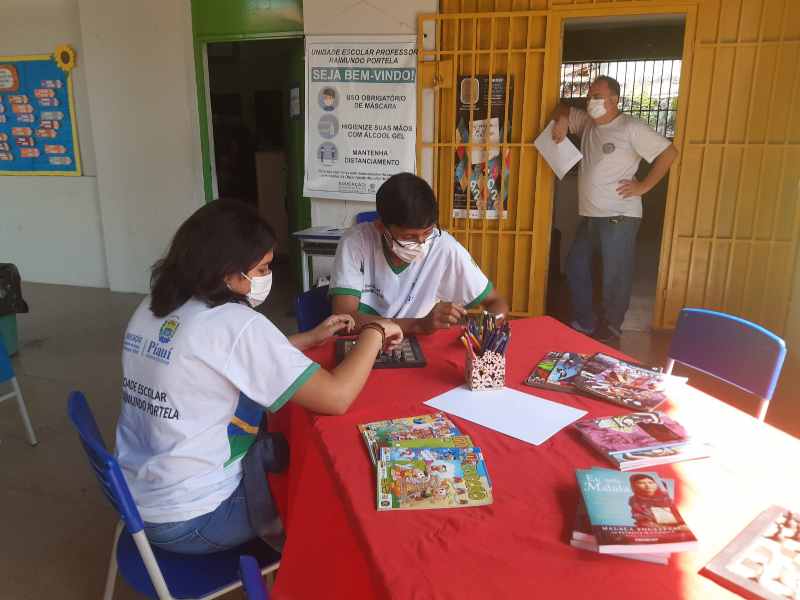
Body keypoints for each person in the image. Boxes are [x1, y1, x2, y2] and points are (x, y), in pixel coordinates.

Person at [115, 199, 402, 555]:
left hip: (136, 496)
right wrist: (374, 331)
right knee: (330, 504)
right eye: (263, 268)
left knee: (282, 448)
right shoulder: (233, 323)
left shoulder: (154, 305)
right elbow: (336, 397)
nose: (268, 277)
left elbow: (218, 359)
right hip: (195, 517)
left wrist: (308, 339)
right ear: (228, 272)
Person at [550, 76, 678, 344]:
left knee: (615, 275)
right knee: (576, 266)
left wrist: (642, 186)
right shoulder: (587, 123)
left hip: (620, 216)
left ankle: (612, 326)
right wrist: (562, 120)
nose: (591, 101)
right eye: (589, 96)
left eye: (597, 96)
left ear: (614, 99)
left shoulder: (630, 127)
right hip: (591, 216)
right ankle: (585, 321)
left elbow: (669, 153)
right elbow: (560, 108)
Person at [330, 172, 509, 335]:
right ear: (381, 227)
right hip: (365, 344)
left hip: (423, 346)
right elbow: (344, 319)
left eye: (428, 232)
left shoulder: (443, 247)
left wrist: (477, 331)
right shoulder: (355, 243)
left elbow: (496, 302)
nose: (422, 243)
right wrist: (419, 325)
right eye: (409, 237)